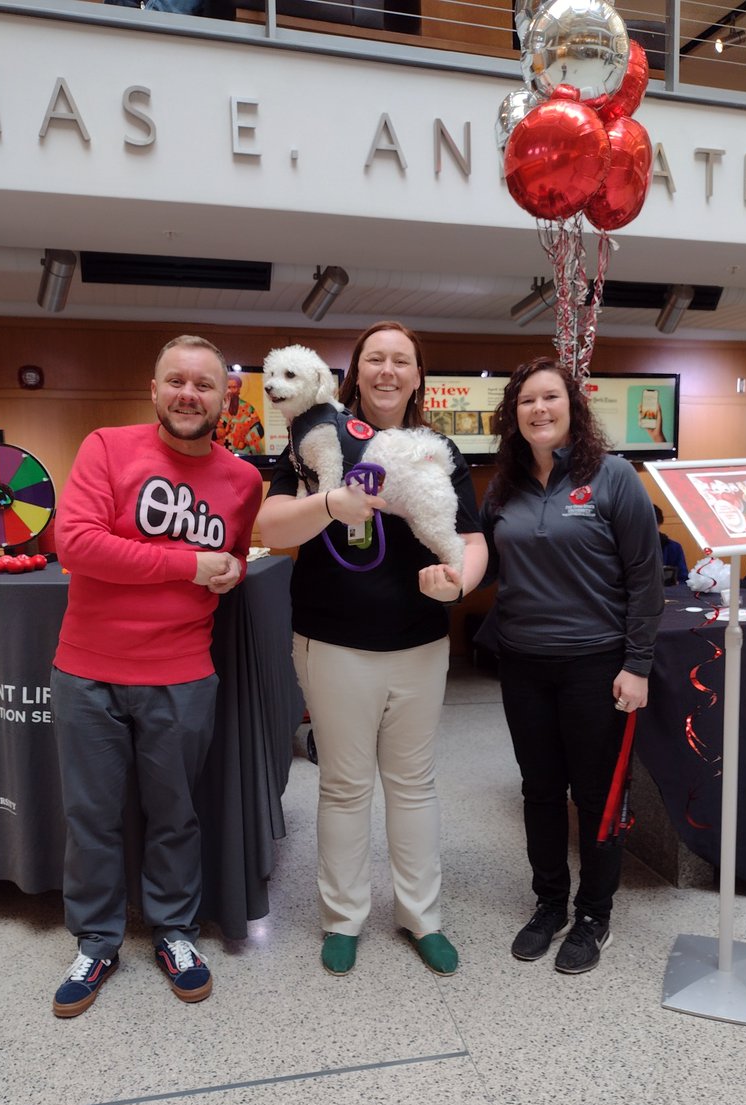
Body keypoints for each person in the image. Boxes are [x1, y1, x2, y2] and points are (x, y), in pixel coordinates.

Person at [258, 321, 487, 977]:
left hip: (419, 645)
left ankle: (422, 917)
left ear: (418, 377)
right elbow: (270, 528)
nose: (388, 371)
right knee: (346, 786)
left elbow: (471, 541)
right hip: (332, 643)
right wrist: (331, 502)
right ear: (355, 373)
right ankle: (343, 918)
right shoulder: (316, 438)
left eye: (402, 361)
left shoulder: (438, 448)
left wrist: (458, 583)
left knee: (414, 786)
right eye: (375, 360)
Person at [50, 334, 262, 1017]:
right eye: (177, 380)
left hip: (181, 673)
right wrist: (188, 565)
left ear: (224, 400)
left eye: (204, 385)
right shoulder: (106, 446)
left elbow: (229, 562)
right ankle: (97, 941)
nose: (189, 394)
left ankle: (174, 932)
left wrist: (228, 572)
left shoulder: (243, 481)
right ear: (154, 389)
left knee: (175, 817)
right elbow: (77, 545)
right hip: (87, 672)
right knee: (92, 818)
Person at [480, 356, 663, 975]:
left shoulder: (612, 478)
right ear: (514, 415)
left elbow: (646, 579)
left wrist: (637, 664)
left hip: (597, 667)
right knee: (538, 791)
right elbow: (485, 561)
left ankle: (594, 914)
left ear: (572, 407)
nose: (539, 409)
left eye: (550, 398)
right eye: (526, 400)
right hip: (524, 665)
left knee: (596, 796)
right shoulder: (502, 486)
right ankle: (550, 903)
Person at [215, 372, 265, 456]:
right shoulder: (216, 407)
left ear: (239, 388)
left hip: (243, 453)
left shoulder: (247, 408)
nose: (231, 391)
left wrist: (244, 440)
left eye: (234, 387)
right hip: (219, 454)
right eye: (228, 387)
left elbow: (259, 429)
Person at [654, 503, 688, 584]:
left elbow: (683, 578)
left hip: (668, 593)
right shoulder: (628, 546)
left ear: (659, 524)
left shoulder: (673, 547)